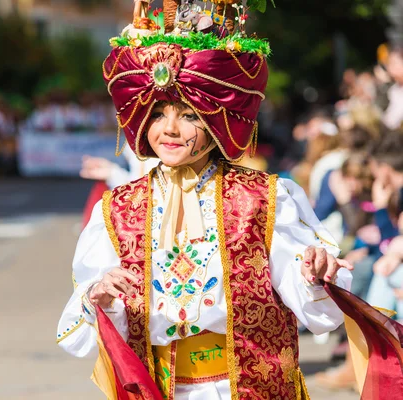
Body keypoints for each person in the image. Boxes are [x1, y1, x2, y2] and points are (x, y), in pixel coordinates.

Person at [57, 2, 354, 398]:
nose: (170, 129)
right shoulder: (117, 209)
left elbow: (319, 314)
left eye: (189, 115)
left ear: (216, 120)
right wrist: (102, 297)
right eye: (159, 114)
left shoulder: (264, 199)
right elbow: (82, 336)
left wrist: (315, 274)